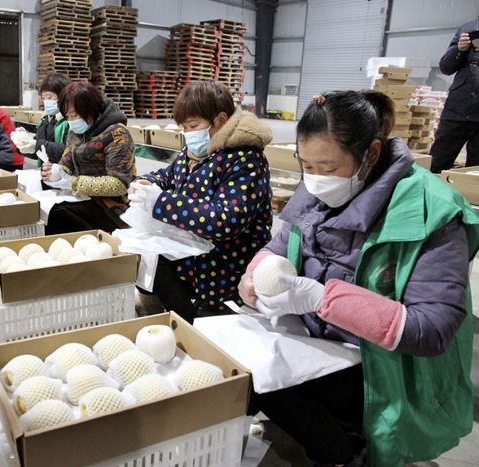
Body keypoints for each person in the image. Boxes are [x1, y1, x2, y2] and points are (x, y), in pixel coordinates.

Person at [238, 91, 479, 466]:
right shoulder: (318, 189)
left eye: (327, 167)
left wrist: (322, 299)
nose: (315, 179)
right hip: (312, 344)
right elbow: (279, 244)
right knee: (236, 368)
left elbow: (432, 329)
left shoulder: (430, 210)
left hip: (380, 368)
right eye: (307, 166)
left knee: (266, 384)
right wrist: (256, 272)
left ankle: (346, 453)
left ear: (372, 153)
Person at [129, 81, 273, 323]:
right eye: (184, 128)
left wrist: (163, 203)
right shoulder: (194, 153)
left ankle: (193, 323)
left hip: (226, 266)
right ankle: (179, 316)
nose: (189, 133)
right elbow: (168, 175)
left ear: (220, 120)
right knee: (145, 257)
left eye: (193, 126)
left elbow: (225, 221)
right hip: (190, 253)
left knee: (205, 323)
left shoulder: (246, 159)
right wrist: (146, 182)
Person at [41, 81, 135, 234]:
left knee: (56, 213)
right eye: (67, 116)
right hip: (82, 198)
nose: (71, 121)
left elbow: (119, 184)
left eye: (75, 115)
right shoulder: (75, 132)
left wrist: (75, 183)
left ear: (90, 109)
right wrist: (55, 171)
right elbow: (66, 163)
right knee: (41, 205)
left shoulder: (116, 134)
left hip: (110, 208)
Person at [430, 18, 479, 172]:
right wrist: (459, 49)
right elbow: (445, 67)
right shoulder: (467, 29)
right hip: (457, 110)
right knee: (437, 164)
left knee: (475, 174)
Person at [15, 73, 71, 165]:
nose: (46, 102)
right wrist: (23, 143)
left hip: (61, 170)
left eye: (49, 97)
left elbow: (68, 151)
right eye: (44, 98)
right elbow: (37, 153)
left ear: (63, 96)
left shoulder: (70, 121)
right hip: (45, 170)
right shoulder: (45, 119)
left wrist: (37, 145)